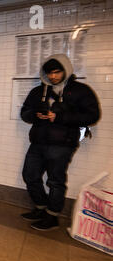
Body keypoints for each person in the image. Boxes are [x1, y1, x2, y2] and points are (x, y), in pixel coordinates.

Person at [20, 54, 100, 231]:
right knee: (30, 175)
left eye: (57, 72)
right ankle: (41, 207)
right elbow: (24, 113)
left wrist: (59, 117)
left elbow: (93, 116)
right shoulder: (38, 91)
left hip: (63, 144)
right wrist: (36, 115)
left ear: (66, 70)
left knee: (55, 181)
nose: (53, 76)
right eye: (49, 73)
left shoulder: (81, 91)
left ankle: (53, 215)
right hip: (38, 142)